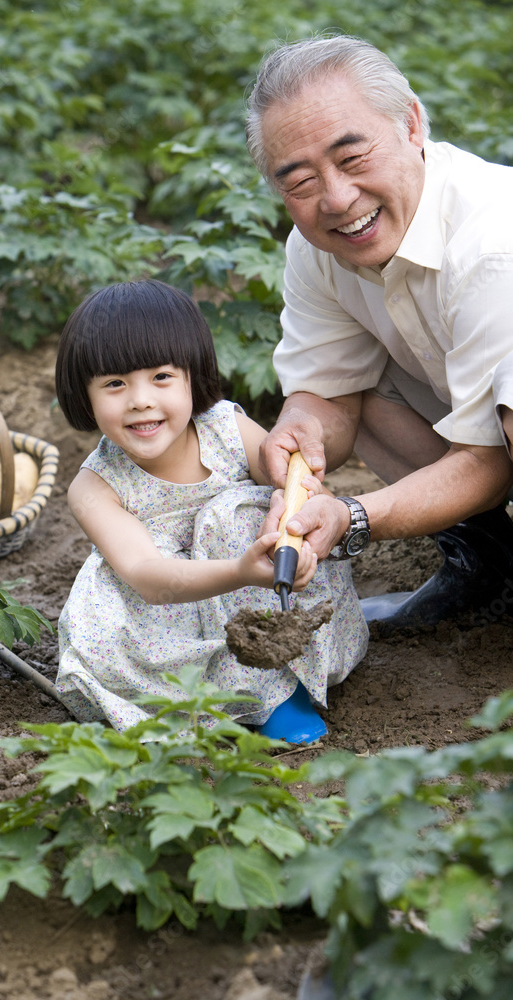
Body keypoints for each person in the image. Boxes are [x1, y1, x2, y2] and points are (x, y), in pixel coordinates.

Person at [245, 34, 513, 631]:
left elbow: (489, 461)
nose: (338, 200)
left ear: (411, 124)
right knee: (355, 386)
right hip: (484, 441)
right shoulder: (315, 252)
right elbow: (329, 392)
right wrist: (301, 438)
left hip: (500, 444)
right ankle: (487, 563)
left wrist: (352, 516)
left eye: (352, 157)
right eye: (300, 183)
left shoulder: (493, 242)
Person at [53, 279, 368, 737]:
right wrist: (238, 570)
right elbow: (145, 574)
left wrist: (290, 502)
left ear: (191, 376)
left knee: (233, 515)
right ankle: (202, 704)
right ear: (85, 396)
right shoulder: (94, 486)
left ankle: (281, 692)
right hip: (171, 607)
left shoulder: (226, 428)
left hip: (263, 591)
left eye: (161, 377)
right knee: (102, 620)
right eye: (115, 384)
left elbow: (294, 481)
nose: (141, 399)